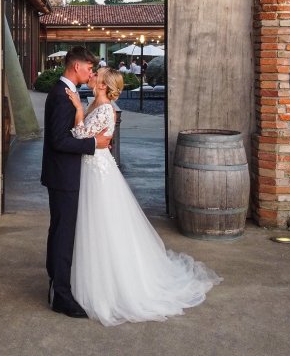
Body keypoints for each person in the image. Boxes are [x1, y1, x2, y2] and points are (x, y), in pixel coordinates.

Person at [65, 68, 221, 326]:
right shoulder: (98, 103)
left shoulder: (104, 108)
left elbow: (80, 136)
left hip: (97, 171)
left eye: (97, 76)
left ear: (104, 85)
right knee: (97, 224)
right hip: (94, 166)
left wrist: (78, 113)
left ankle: (109, 283)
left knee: (102, 224)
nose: (92, 77)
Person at [41, 46, 113, 318]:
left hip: (64, 173)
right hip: (63, 175)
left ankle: (55, 285)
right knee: (63, 234)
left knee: (60, 231)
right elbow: (59, 141)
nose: (91, 72)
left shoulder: (66, 93)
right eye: (89, 67)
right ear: (76, 66)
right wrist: (94, 143)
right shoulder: (61, 96)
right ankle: (60, 295)